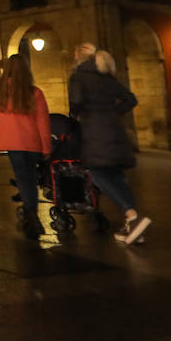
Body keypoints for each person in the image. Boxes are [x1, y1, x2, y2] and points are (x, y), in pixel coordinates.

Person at [68, 44, 149, 245]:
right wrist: (113, 113)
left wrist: (76, 115)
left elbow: (76, 101)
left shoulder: (78, 76)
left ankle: (131, 215)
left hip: (94, 130)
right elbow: (130, 99)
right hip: (114, 129)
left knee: (96, 172)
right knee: (116, 175)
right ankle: (134, 222)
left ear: (78, 57)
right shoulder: (106, 75)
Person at [0, 54, 52, 239]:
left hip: (12, 143)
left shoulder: (1, 90)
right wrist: (46, 147)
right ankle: (31, 211)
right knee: (30, 178)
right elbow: (43, 121)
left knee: (23, 177)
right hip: (32, 142)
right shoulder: (34, 92)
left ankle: (32, 214)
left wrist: (0, 115)